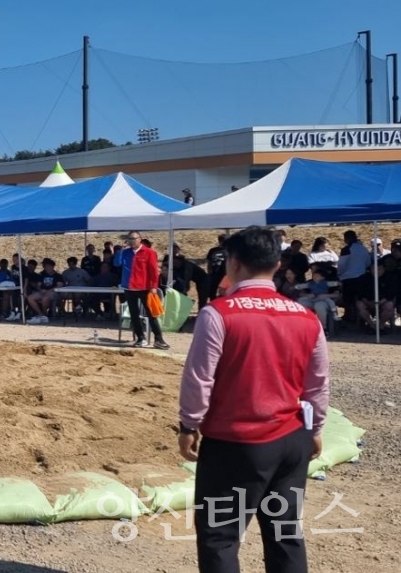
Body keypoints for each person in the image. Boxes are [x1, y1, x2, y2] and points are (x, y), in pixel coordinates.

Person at [179, 226, 329, 573]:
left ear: (232, 263)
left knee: (220, 536)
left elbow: (200, 378)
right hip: (291, 440)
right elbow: (317, 382)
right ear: (277, 264)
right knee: (284, 532)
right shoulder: (305, 316)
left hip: (236, 442)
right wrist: (316, 427)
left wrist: (189, 424)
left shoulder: (219, 313)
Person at [117, 231, 169, 349]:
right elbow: (117, 263)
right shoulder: (126, 253)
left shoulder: (149, 252)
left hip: (144, 288)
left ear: (140, 239)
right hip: (129, 288)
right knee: (134, 315)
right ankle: (141, 338)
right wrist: (121, 250)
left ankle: (159, 339)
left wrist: (153, 287)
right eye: (129, 239)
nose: (132, 241)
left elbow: (153, 271)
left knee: (151, 314)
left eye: (134, 238)